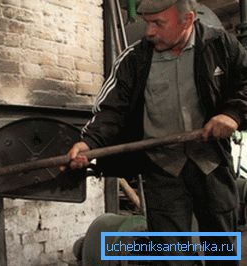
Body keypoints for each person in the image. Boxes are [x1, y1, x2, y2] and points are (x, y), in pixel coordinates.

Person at [64, 0, 247, 265]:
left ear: (188, 20)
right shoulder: (135, 59)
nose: (149, 32)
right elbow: (111, 109)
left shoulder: (220, 46)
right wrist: (88, 143)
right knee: (172, 254)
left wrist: (233, 114)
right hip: (163, 169)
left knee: (219, 247)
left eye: (158, 23)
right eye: (147, 22)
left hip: (210, 163)